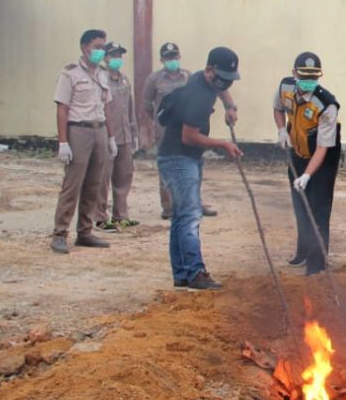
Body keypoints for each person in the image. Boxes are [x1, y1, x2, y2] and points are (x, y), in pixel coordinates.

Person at [157, 46, 244, 290]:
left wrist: (230, 107)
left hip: (182, 157)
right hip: (178, 158)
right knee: (191, 216)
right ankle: (195, 273)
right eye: (223, 80)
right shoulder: (199, 95)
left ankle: (182, 274)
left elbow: (222, 92)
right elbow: (189, 137)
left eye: (230, 81)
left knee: (182, 216)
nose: (226, 85)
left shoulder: (203, 80)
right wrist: (223, 144)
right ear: (209, 71)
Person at [274, 51, 341, 276]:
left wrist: (307, 175)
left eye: (314, 78)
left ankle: (317, 261)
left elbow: (323, 148)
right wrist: (282, 129)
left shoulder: (327, 104)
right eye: (305, 77)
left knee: (318, 208)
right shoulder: (285, 87)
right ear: (294, 74)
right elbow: (278, 108)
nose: (309, 82)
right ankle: (302, 251)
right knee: (300, 204)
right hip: (298, 150)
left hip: (323, 156)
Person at [51, 29, 115, 254]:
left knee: (94, 184)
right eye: (96, 46)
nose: (100, 51)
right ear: (84, 47)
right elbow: (62, 108)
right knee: (73, 184)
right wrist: (63, 142)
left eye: (102, 47)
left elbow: (106, 106)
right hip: (78, 130)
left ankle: (85, 232)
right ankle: (60, 233)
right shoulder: (70, 73)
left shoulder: (103, 73)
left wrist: (112, 137)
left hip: (99, 130)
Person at [142, 43, 222, 220]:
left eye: (174, 56)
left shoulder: (190, 76)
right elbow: (147, 106)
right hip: (165, 130)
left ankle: (195, 201)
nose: (172, 60)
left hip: (190, 126)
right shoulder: (154, 79)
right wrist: (154, 125)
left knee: (194, 165)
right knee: (168, 167)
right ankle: (169, 206)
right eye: (168, 57)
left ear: (179, 57)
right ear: (162, 60)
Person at [96, 43, 140, 231]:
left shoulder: (124, 80)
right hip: (106, 136)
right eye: (113, 55)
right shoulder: (99, 79)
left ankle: (120, 215)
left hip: (125, 137)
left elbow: (129, 109)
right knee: (102, 178)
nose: (117, 59)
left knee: (124, 177)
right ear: (105, 58)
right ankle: (99, 218)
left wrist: (134, 133)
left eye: (119, 55)